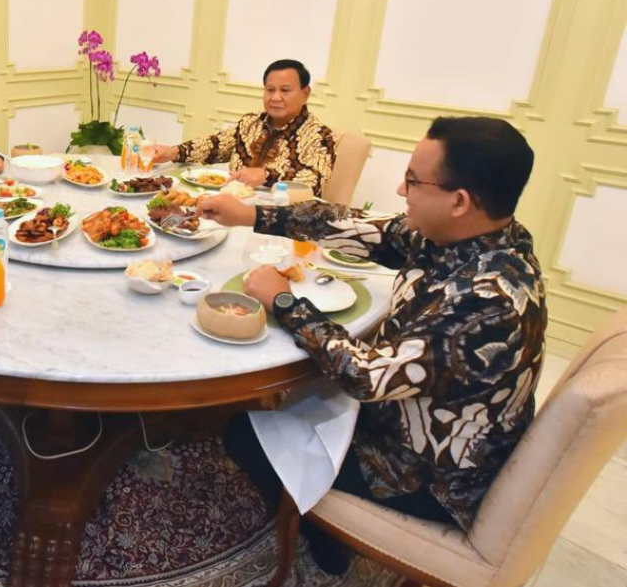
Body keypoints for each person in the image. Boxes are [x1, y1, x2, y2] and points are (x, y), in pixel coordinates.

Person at [198, 116, 545, 574]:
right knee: (296, 394)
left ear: (460, 201)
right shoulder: (479, 240)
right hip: (413, 417)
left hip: (427, 473)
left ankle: (323, 539)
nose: (402, 192)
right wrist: (256, 215)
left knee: (241, 430)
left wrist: (283, 302)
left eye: (413, 181)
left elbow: (364, 376)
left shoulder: (486, 302)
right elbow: (358, 226)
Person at [152, 59, 336, 194]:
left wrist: (266, 175)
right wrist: (172, 152)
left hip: (278, 220)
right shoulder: (250, 123)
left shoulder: (320, 136)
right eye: (270, 90)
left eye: (285, 90)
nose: (275, 97)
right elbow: (215, 145)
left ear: (305, 93)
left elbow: (314, 181)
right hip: (231, 207)